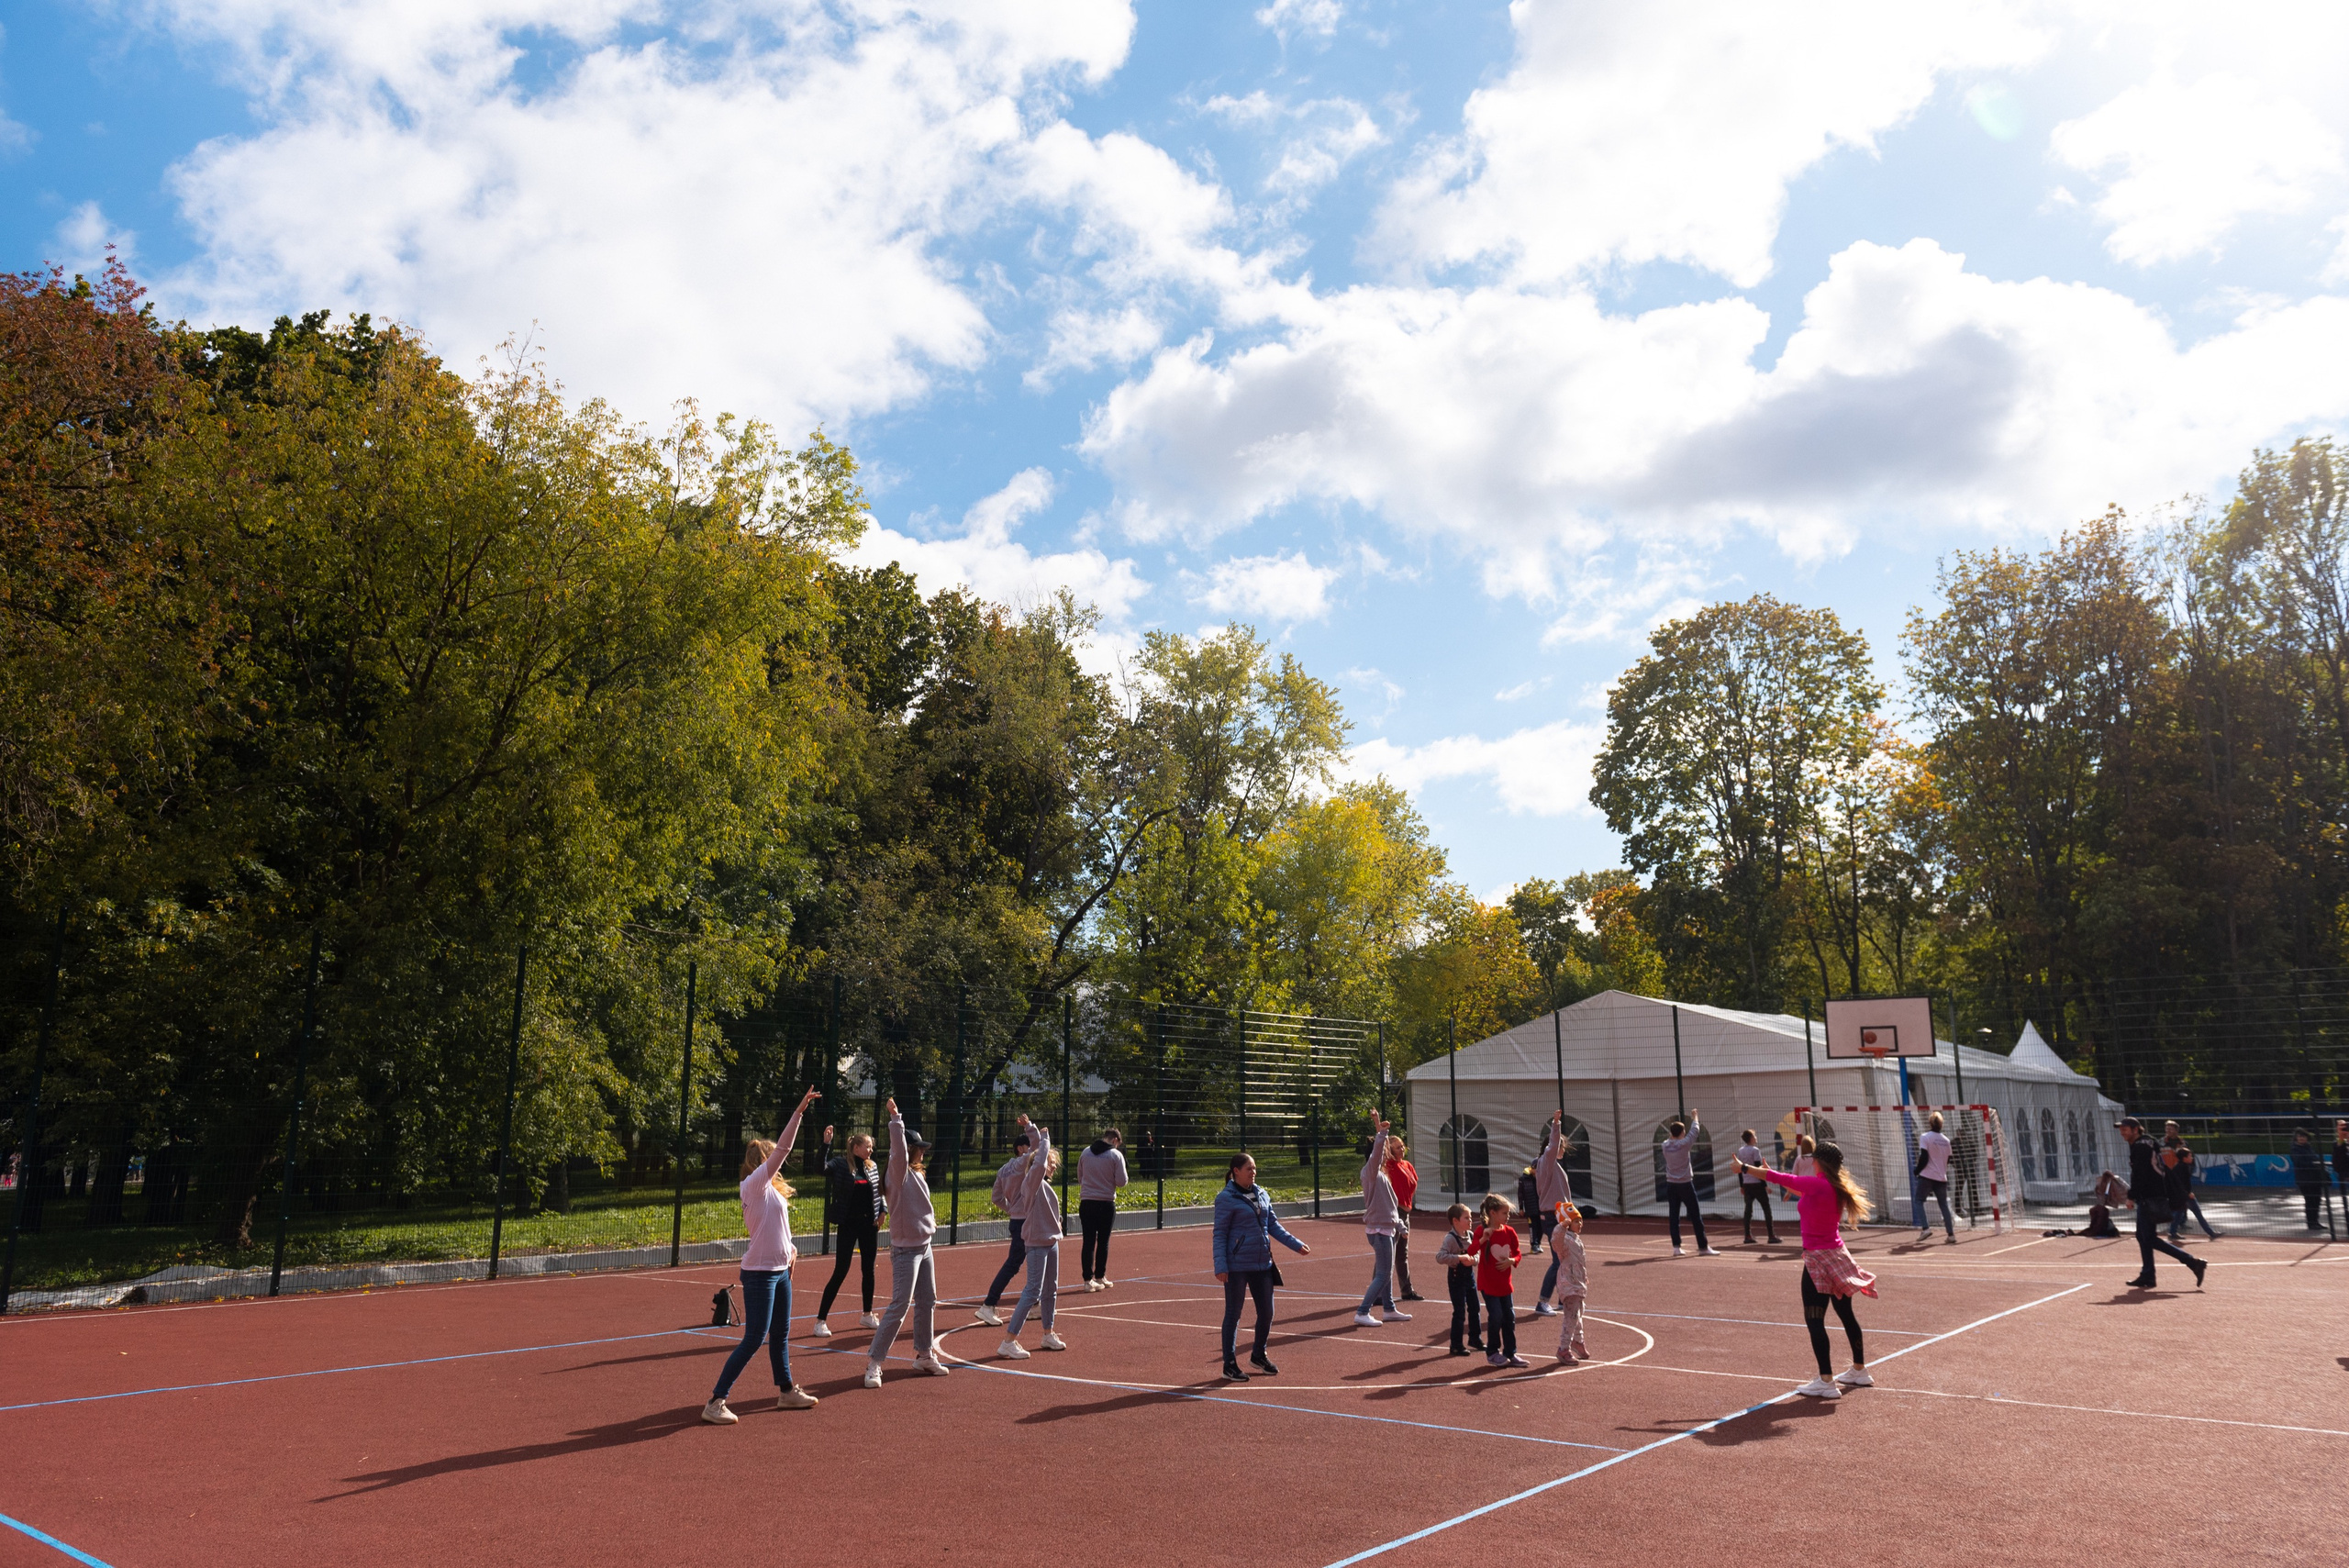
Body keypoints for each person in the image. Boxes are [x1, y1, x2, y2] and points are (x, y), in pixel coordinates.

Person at [703, 1087, 824, 1423]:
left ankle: (786, 1392)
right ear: (763, 1162)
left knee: (780, 1333)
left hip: (780, 1269)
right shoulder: (754, 1184)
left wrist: (791, 1250)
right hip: (760, 1273)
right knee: (755, 1337)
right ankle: (715, 1401)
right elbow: (784, 1147)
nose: (780, 1164)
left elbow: (776, 1226)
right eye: (774, 1160)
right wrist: (799, 1110)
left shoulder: (770, 1192)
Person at [1736, 1140, 1875, 1400]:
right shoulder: (1832, 1187)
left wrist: (1744, 1168)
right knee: (1846, 1314)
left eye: (1813, 1158)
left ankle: (1826, 1381)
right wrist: (1772, 1176)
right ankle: (1859, 1370)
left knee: (1814, 1320)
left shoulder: (1817, 1184)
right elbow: (1798, 1188)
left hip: (1818, 1260)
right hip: (1837, 1256)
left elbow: (1783, 1177)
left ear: (1818, 1161)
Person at [863, 1098, 952, 1387]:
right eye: (920, 1149)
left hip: (924, 1247)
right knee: (900, 1304)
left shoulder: (915, 1174)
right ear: (910, 1150)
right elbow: (898, 1150)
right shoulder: (898, 1173)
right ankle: (874, 1363)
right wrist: (895, 1119)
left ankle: (924, 1355)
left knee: (928, 1300)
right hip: (906, 1251)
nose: (924, 1154)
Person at [1211, 1151, 1311, 1382]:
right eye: (1249, 1169)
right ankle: (1229, 1364)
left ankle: (1258, 1354)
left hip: (1263, 1263)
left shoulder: (1262, 1194)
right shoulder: (1225, 1198)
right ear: (1236, 1171)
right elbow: (1220, 1234)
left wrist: (1295, 1244)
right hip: (1237, 1266)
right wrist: (1221, 1265)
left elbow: (1273, 1226)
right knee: (1233, 1314)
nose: (1253, 1172)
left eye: (1255, 1168)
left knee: (1267, 1311)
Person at [999, 1115, 1066, 1358]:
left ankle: (1048, 1333)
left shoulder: (1043, 1185)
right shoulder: (1031, 1180)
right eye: (1051, 1161)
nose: (1054, 1165)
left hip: (1051, 1241)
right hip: (1037, 1243)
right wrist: (1044, 1137)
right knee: (1033, 1291)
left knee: (1051, 1289)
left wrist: (1032, 1129)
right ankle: (1009, 1340)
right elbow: (1038, 1161)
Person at [812, 1125, 885, 1337]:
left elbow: (880, 1192)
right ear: (855, 1147)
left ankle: (867, 1314)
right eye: (867, 1146)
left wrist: (883, 1211)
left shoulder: (872, 1167)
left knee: (869, 1270)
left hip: (868, 1226)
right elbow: (820, 1168)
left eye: (871, 1147)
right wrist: (826, 1144)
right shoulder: (841, 1164)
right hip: (848, 1224)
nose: (870, 1150)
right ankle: (820, 1321)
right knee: (841, 1271)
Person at [2118, 1116, 2207, 1289]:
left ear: (2136, 1130)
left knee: (2148, 1238)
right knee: (2143, 1236)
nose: (2122, 1132)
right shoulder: (2148, 1143)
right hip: (2153, 1194)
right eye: (2121, 1129)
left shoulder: (2141, 1147)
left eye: (2125, 1129)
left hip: (2149, 1196)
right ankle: (2148, 1275)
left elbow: (2140, 1174)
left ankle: (2192, 1262)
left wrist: (2131, 1196)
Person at [1352, 1116, 1411, 1328]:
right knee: (1384, 1273)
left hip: (1388, 1228)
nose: (1387, 1151)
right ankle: (1362, 1311)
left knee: (1387, 1272)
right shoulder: (1369, 1171)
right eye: (1384, 1148)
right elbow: (1377, 1152)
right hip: (1379, 1231)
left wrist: (1400, 1226)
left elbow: (1392, 1205)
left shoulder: (1382, 1176)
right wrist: (1382, 1132)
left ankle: (1389, 1309)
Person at [971, 1130, 1030, 1328]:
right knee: (1014, 1264)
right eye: (1029, 1147)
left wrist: (1011, 1209)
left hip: (1017, 1219)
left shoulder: (1003, 1169)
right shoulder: (1023, 1163)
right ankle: (989, 1304)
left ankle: (1036, 1302)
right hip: (1025, 1220)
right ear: (1021, 1148)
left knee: (1035, 1260)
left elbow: (996, 1197)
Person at [1474, 1193, 1526, 1368]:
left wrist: (1512, 1261)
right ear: (1493, 1213)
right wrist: (1484, 1238)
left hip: (1505, 1284)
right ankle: (1492, 1352)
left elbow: (1518, 1253)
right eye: (1504, 1213)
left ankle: (1511, 1353)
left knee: (1509, 1317)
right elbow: (1472, 1250)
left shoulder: (1510, 1232)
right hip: (1488, 1284)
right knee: (1496, 1316)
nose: (1508, 1216)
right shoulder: (1482, 1230)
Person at [1533, 1111, 1577, 1311]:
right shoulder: (1547, 1161)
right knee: (1556, 1260)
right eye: (1562, 1146)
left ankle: (1562, 1298)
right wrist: (1556, 1124)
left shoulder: (1552, 1165)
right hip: (1553, 1217)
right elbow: (1552, 1145)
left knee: (1564, 1258)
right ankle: (1542, 1301)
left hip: (1561, 1217)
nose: (1563, 1150)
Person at [1661, 1111, 1718, 1256]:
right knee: (1696, 1215)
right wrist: (1695, 1117)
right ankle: (1703, 1247)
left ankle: (1676, 1247)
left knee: (1674, 1216)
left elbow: (1673, 1138)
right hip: (1685, 1184)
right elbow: (1695, 1131)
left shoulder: (1665, 1145)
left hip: (1671, 1184)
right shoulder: (1684, 1144)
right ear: (1682, 1133)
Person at [1078, 1128, 1129, 1291]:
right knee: (1103, 1241)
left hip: (1087, 1202)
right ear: (1115, 1140)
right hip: (1106, 1202)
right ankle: (1100, 1277)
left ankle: (1087, 1280)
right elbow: (1121, 1181)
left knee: (1088, 1241)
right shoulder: (1115, 1155)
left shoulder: (1086, 1152)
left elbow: (1080, 1176)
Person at [1435, 1202, 1484, 1356]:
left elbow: (1478, 1253)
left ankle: (1475, 1338)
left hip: (1469, 1277)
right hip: (1456, 1278)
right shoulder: (1450, 1239)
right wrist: (1459, 1257)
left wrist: (1474, 1260)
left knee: (1475, 1307)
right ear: (1456, 1221)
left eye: (1470, 1217)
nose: (1470, 1221)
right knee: (1460, 1311)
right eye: (1466, 1218)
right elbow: (1440, 1257)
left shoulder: (1470, 1235)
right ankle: (1455, 1345)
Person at [1549, 1200, 1590, 1363]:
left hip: (1578, 1283)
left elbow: (1580, 1262)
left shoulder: (1577, 1240)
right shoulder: (1564, 1239)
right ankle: (1563, 1349)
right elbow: (1555, 1242)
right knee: (1571, 1316)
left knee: (1578, 1313)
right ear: (1567, 1222)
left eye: (1580, 1220)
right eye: (1575, 1221)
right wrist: (1562, 1226)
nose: (1579, 1223)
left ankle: (1577, 1341)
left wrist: (1584, 1276)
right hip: (1569, 1284)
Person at [2160, 1123, 2217, 1241]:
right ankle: (2210, 1232)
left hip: (2179, 1184)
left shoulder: (2183, 1146)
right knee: (2193, 1210)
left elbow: (2184, 1180)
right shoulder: (2162, 1143)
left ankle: (2173, 1231)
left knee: (2180, 1210)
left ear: (2176, 1130)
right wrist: (2187, 1193)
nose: (2168, 1130)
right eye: (2167, 1128)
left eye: (2171, 1128)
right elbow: (2182, 1183)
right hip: (2174, 1182)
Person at [1386, 1137, 1423, 1300]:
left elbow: (1413, 1183)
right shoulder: (1389, 1166)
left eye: (1402, 1146)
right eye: (1397, 1148)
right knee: (1387, 1252)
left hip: (1405, 1212)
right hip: (1395, 1211)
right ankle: (1379, 1292)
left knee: (1402, 1253)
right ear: (1390, 1151)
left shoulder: (1407, 1165)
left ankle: (1407, 1291)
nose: (1401, 1150)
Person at [1915, 1112, 1955, 1242]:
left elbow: (1924, 1157)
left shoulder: (1925, 1137)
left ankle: (1926, 1228)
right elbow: (1948, 1159)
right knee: (1943, 1205)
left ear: (1930, 1123)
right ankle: (1951, 1235)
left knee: (1918, 1201)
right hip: (1941, 1177)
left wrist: (1917, 1170)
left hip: (1927, 1176)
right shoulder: (1946, 1141)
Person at [1734, 1126, 1779, 1245]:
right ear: (1750, 1138)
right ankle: (1771, 1235)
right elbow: (1759, 1169)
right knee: (1766, 1209)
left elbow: (1740, 1168)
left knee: (1748, 1210)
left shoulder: (1741, 1151)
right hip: (1757, 1184)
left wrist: (1742, 1185)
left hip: (1747, 1184)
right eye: (1754, 1135)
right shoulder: (1755, 1150)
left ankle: (1747, 1235)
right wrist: (1765, 1185)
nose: (1756, 1137)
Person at [2289, 1128, 2328, 1233]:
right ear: (2296, 1138)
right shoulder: (2295, 1149)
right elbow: (2299, 1163)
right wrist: (2313, 1164)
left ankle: (2315, 1221)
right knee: (2310, 1201)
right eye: (2300, 1136)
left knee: (2317, 1200)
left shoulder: (2309, 1148)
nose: (2302, 1138)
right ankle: (2311, 1222)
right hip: (2305, 1179)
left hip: (2315, 1178)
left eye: (2304, 1136)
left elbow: (2314, 1159)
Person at [1516, 1164, 1542, 1253]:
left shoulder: (1539, 1178)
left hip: (1540, 1207)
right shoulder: (1523, 1179)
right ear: (1532, 1168)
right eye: (1536, 1169)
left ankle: (1538, 1243)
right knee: (1533, 1227)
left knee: (1541, 1227)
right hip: (1530, 1208)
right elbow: (1520, 1194)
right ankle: (1533, 1245)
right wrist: (1521, 1208)